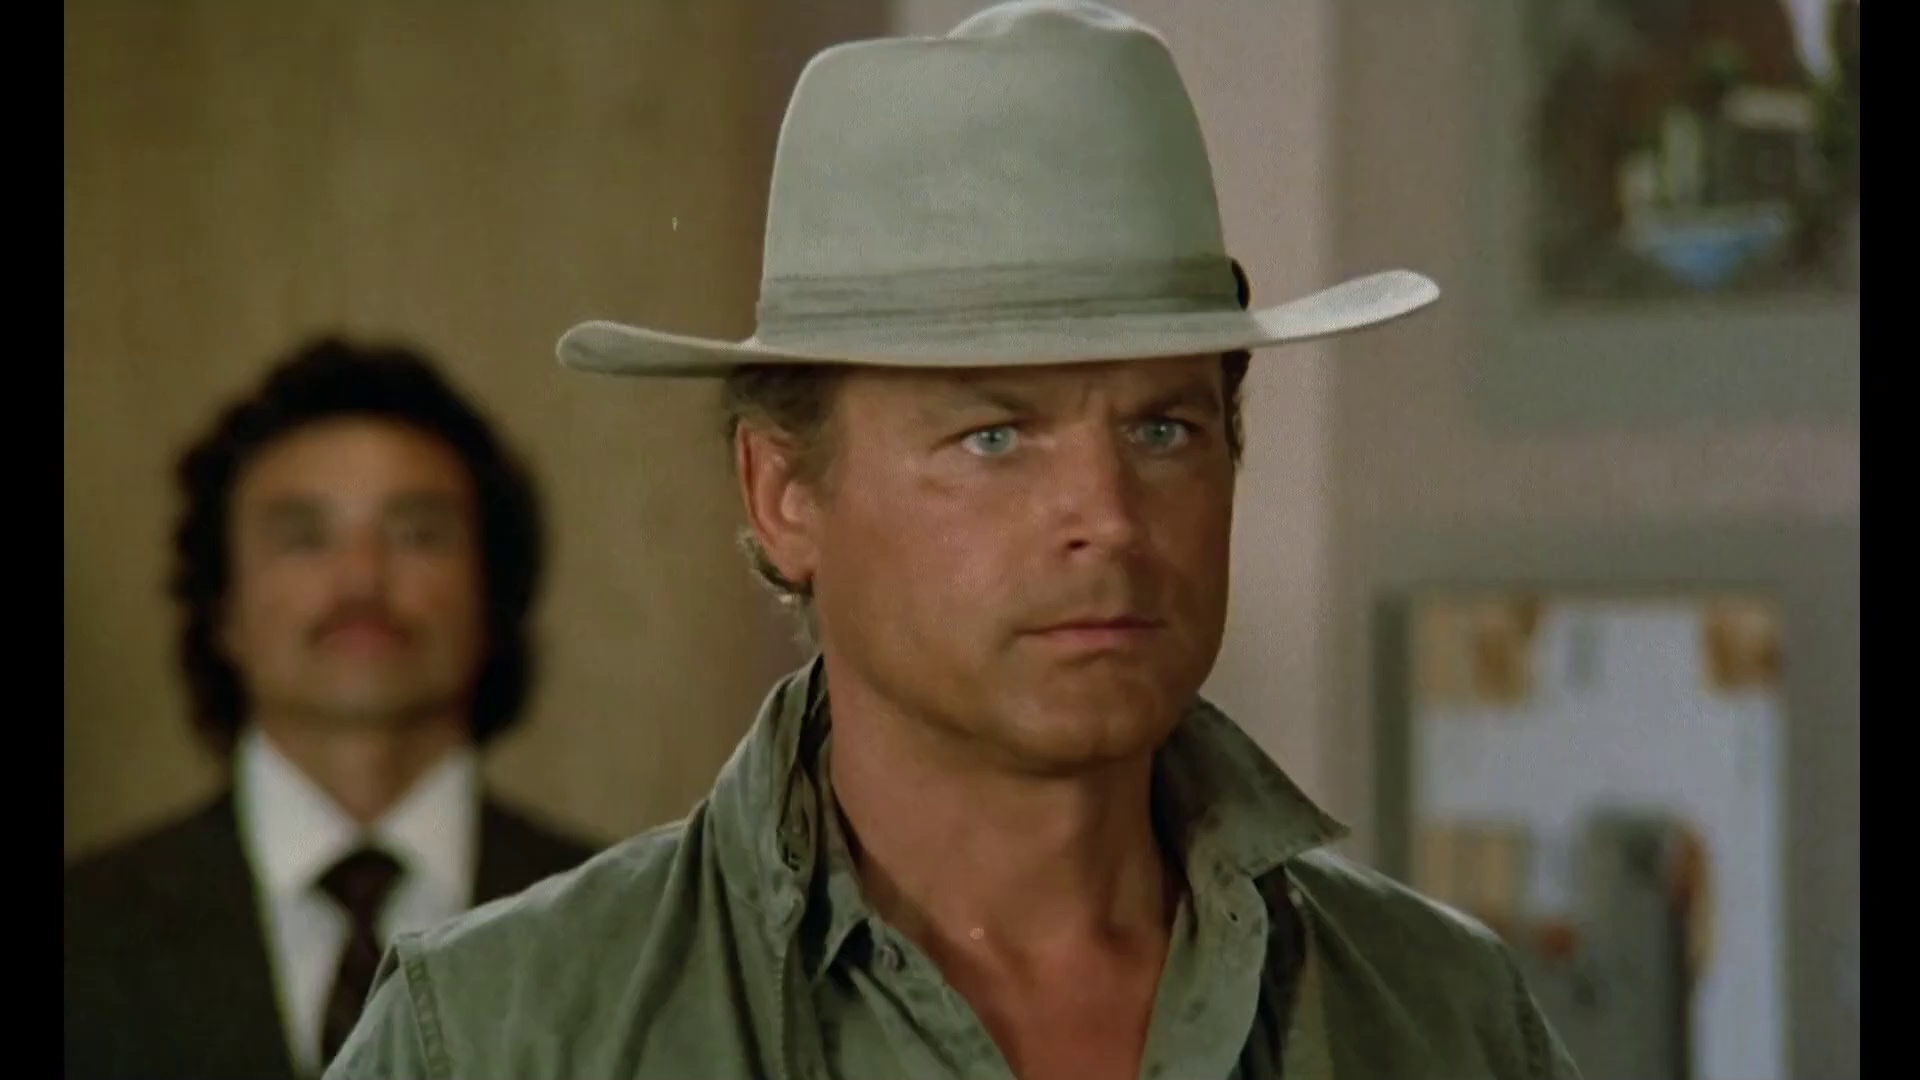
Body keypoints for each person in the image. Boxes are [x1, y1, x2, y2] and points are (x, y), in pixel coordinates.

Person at [327, 3, 1583, 1077]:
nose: (1108, 518)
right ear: (784, 494)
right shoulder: (506, 1036)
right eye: (995, 436)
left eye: (1163, 428)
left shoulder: (1436, 1014)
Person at [64, 336, 601, 1080]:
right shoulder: (83, 933)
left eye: (416, 534)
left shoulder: (629, 923)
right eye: (303, 538)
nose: (361, 581)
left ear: (493, 596)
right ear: (222, 607)